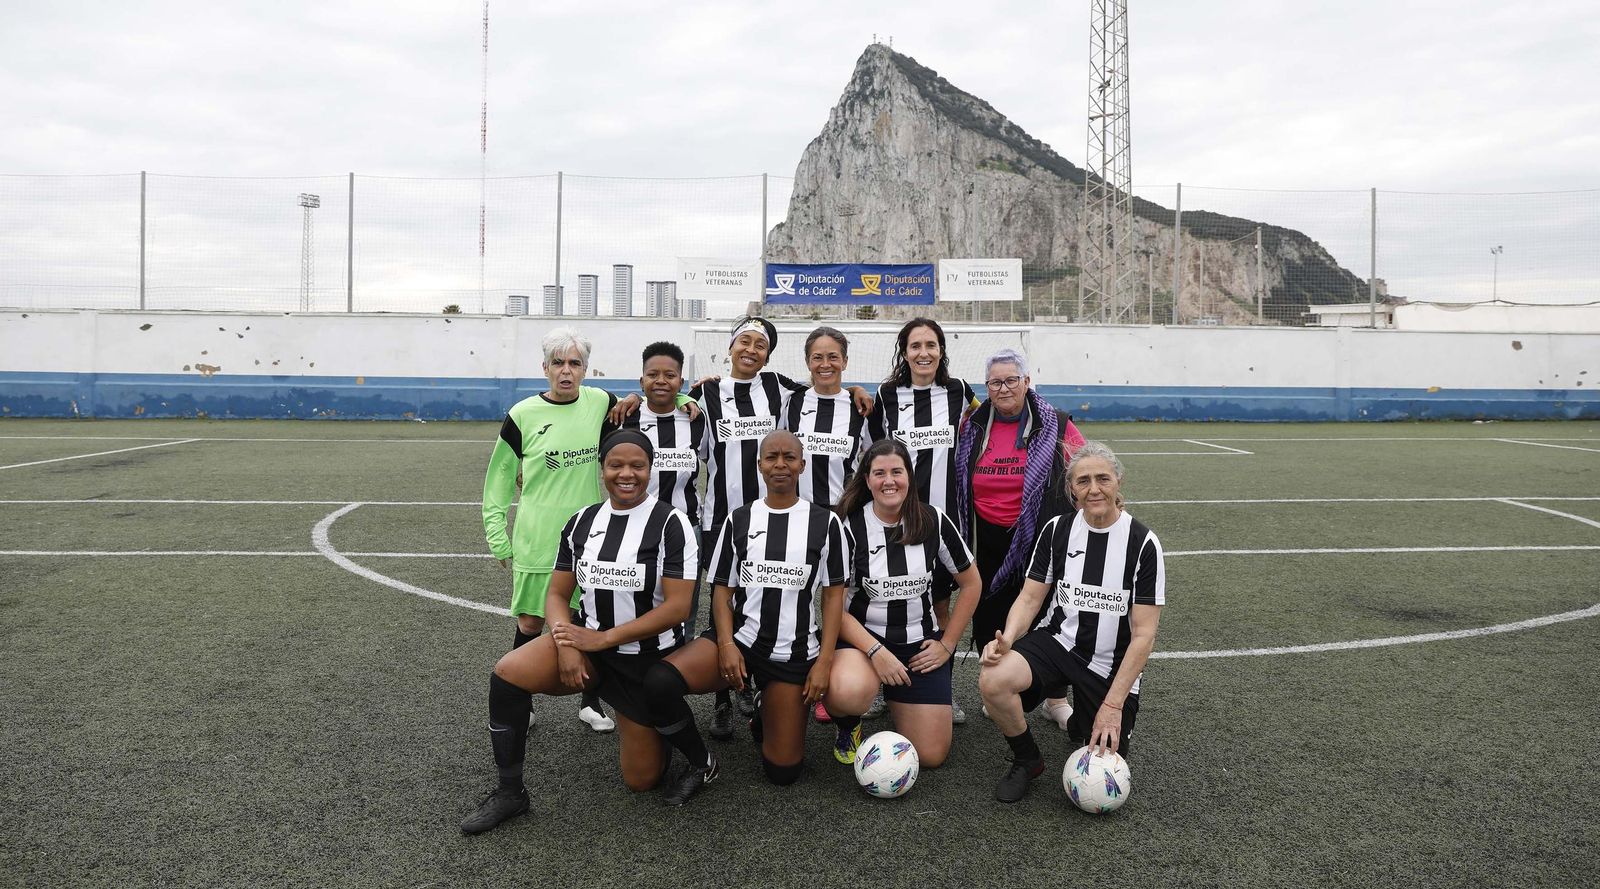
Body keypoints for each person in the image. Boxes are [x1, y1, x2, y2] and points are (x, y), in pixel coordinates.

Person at [462, 430, 700, 832]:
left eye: (637, 466)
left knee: (641, 781)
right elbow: (557, 594)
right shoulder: (583, 521)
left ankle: (655, 727)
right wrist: (566, 642)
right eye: (616, 465)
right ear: (602, 469)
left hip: (645, 661)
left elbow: (678, 608)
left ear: (650, 468)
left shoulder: (671, 523)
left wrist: (603, 639)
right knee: (507, 673)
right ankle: (510, 792)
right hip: (589, 649)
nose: (626, 474)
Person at [681, 316, 869, 738]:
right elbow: (677, 412)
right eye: (743, 342)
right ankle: (726, 699)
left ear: (768, 355)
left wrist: (857, 389)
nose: (750, 350)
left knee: (785, 599)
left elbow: (827, 387)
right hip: (724, 518)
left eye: (760, 345)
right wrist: (648, 399)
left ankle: (775, 685)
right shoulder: (704, 394)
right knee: (725, 603)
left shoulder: (783, 391)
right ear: (729, 347)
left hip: (783, 516)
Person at [640, 430, 848, 805]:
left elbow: (834, 596)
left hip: (793, 653)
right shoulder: (739, 519)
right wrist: (725, 645)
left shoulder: (826, 522)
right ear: (759, 466)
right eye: (771, 458)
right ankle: (700, 761)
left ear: (802, 464)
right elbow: (721, 591)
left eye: (789, 457)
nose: (780, 464)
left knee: (783, 773)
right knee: (658, 682)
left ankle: (766, 709)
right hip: (742, 641)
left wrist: (825, 661)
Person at [976, 441, 1165, 803]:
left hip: (1110, 663)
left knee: (1103, 764)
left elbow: (1143, 635)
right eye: (1083, 481)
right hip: (1058, 643)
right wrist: (1009, 638)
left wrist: (1112, 706)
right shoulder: (1057, 529)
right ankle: (1026, 759)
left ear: (1118, 481)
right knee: (993, 677)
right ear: (1071, 489)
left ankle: (1087, 718)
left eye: (1102, 478)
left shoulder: (1143, 543)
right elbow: (1031, 597)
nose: (1093, 488)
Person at [482, 326, 620, 732]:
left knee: (591, 622)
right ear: (544, 368)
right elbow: (499, 481)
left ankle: (591, 703)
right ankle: (522, 702)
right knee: (530, 622)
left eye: (574, 364)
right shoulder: (522, 415)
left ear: (585, 370)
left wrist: (682, 398)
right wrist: (498, 537)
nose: (566, 371)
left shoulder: (599, 403)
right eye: (557, 363)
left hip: (591, 538)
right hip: (537, 538)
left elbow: (647, 405)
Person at [822, 439, 982, 769]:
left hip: (918, 645)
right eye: (879, 473)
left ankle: (899, 698)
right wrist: (876, 652)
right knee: (847, 691)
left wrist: (947, 644)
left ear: (909, 475)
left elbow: (971, 583)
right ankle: (850, 727)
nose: (889, 480)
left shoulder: (932, 520)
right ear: (867, 480)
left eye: (897, 471)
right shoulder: (847, 526)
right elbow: (832, 606)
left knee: (931, 756)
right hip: (862, 641)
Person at [953, 347, 1085, 728]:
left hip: (1041, 538)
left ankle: (1055, 698)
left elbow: (1084, 468)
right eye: (996, 382)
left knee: (1047, 617)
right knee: (991, 617)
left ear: (1027, 382)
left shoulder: (1058, 425)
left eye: (1012, 379)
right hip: (987, 538)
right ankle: (998, 688)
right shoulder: (973, 426)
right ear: (987, 387)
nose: (1005, 387)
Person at [865, 318, 979, 722]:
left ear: (941, 350)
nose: (924, 353)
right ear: (904, 351)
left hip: (943, 521)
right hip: (895, 518)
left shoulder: (960, 392)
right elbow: (876, 447)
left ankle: (940, 686)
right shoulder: (886, 394)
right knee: (889, 598)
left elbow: (989, 418)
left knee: (940, 606)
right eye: (915, 346)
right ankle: (881, 685)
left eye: (931, 345)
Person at [782, 326, 869, 723]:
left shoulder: (861, 408)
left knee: (841, 600)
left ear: (845, 362)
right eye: (818, 356)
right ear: (807, 362)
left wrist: (857, 392)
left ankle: (839, 682)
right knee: (795, 600)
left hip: (841, 523)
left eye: (833, 356)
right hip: (796, 520)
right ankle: (794, 678)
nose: (825, 364)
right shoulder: (792, 402)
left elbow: (868, 463)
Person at [620, 342, 709, 633]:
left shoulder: (696, 419)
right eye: (653, 374)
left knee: (685, 613)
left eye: (669, 375)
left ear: (681, 382)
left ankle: (678, 674)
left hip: (686, 529)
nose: (661, 381)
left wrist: (687, 399)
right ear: (641, 380)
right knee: (635, 605)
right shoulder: (625, 418)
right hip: (636, 529)